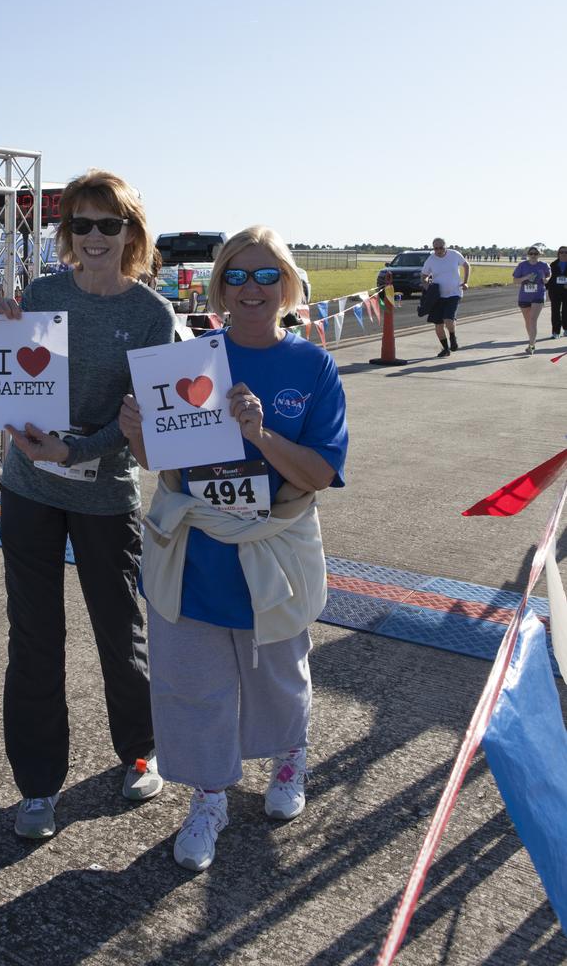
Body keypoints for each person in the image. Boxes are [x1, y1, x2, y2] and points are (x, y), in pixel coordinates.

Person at [119, 226, 347, 872]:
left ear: (288, 285)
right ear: (218, 287)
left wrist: (261, 434)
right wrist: (139, 439)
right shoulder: (189, 359)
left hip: (274, 547)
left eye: (265, 275)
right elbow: (165, 464)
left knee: (276, 671)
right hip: (195, 546)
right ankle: (209, 796)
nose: (252, 289)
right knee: (194, 681)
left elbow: (321, 472)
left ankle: (288, 758)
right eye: (237, 277)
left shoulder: (311, 365)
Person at [0, 170, 176, 840]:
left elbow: (141, 421)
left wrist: (77, 451)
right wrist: (2, 340)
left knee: (119, 633)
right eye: (81, 225)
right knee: (34, 638)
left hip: (103, 495)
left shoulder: (152, 315)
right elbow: (12, 385)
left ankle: (138, 751)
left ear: (131, 232)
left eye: (109, 224)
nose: (94, 237)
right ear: (66, 233)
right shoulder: (41, 294)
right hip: (29, 488)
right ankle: (38, 786)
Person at [420, 238, 470, 357]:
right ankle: (445, 349)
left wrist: (466, 282)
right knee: (438, 325)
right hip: (438, 296)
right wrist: (429, 288)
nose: (438, 250)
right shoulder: (431, 259)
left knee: (448, 319)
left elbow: (466, 265)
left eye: (441, 247)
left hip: (454, 293)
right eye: (436, 248)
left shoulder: (454, 254)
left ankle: (453, 337)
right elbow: (423, 276)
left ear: (445, 246)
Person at [512, 246, 551, 354]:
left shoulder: (544, 265)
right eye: (531, 253)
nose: (533, 255)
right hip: (524, 297)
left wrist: (546, 279)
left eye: (536, 253)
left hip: (538, 295)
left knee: (533, 320)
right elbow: (515, 280)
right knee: (528, 321)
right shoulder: (522, 265)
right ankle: (532, 340)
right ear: (528, 254)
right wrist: (525, 277)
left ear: (539, 254)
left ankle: (531, 345)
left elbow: (549, 276)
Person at [547, 245, 567, 340]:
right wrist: (544, 288)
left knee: (566, 311)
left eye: (566, 252)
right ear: (558, 254)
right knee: (555, 312)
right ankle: (556, 332)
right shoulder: (553, 265)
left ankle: (566, 329)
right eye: (561, 252)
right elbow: (549, 278)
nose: (563, 254)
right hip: (555, 291)